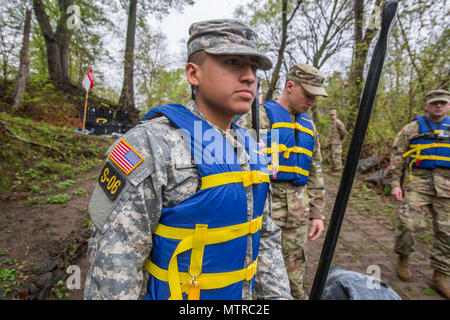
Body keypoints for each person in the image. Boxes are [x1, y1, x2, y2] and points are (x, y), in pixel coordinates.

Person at [83, 19, 292, 300]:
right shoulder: (150, 143)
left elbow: (265, 237)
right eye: (232, 62)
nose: (249, 77)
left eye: (253, 67)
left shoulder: (251, 147)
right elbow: (115, 260)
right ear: (194, 74)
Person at [237, 63, 327, 299]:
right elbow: (231, 161)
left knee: (295, 280)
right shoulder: (257, 118)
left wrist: (317, 213)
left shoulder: (309, 126)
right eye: (308, 95)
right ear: (290, 86)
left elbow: (315, 171)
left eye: (315, 97)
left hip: (298, 216)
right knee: (258, 281)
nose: (311, 102)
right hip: (263, 214)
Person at [386, 89, 449, 299]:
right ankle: (403, 258)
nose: (438, 106)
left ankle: (440, 275)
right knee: (409, 224)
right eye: (434, 103)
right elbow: (397, 156)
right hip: (418, 183)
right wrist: (395, 183)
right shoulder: (412, 129)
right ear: (427, 105)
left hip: (447, 186)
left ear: (448, 105)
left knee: (447, 232)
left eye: (442, 103)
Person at [328, 109, 347, 175]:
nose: (332, 116)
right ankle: (333, 169)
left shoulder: (338, 122)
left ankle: (337, 171)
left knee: (336, 156)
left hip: (336, 142)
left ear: (336, 115)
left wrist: (340, 139)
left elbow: (343, 132)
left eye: (333, 114)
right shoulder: (332, 123)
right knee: (331, 156)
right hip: (331, 142)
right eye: (331, 115)